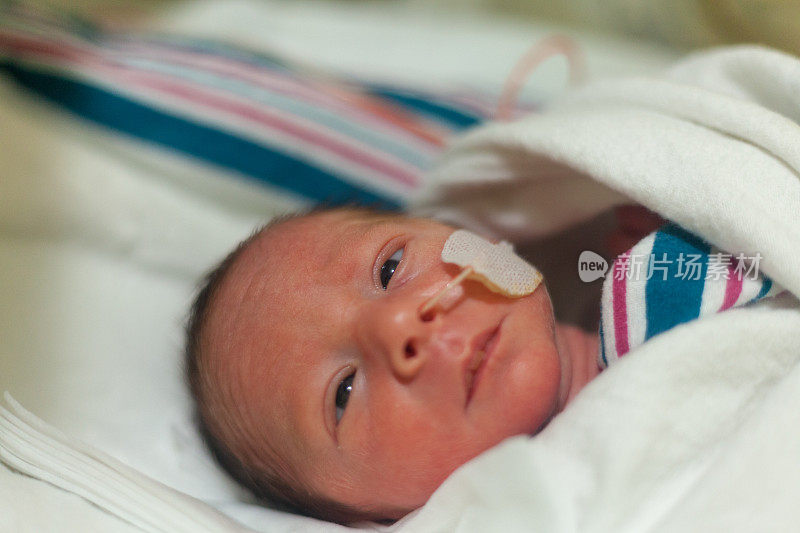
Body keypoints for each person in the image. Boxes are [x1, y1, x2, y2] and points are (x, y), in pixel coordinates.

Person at [184, 204, 667, 524]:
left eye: (389, 268)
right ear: (369, 518)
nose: (399, 327)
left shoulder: (656, 270)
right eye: (343, 393)